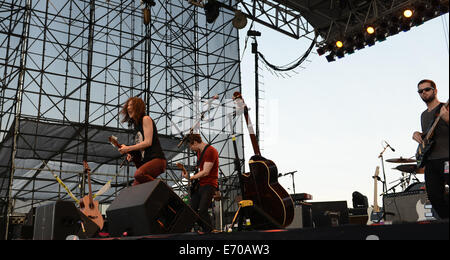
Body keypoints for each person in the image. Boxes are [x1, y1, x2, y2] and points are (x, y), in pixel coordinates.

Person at [412, 79, 449, 219]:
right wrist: (417, 135)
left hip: (446, 158)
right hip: (430, 162)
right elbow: (428, 136)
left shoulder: (445, 108)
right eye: (420, 91)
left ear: (435, 90)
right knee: (434, 196)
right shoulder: (423, 115)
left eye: (426, 89)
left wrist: (447, 118)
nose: (423, 93)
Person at [119, 97, 167, 186]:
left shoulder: (146, 119)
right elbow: (141, 148)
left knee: (139, 174)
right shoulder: (136, 126)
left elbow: (148, 142)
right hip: (147, 161)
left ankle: (164, 190)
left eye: (131, 105)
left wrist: (128, 148)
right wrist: (131, 153)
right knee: (136, 189)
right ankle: (159, 196)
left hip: (157, 159)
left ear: (138, 107)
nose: (128, 108)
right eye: (127, 106)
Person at [182, 133, 219, 232]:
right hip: (201, 184)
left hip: (209, 184)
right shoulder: (199, 152)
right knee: (192, 211)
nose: (190, 148)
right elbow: (201, 170)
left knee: (202, 210)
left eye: (190, 146)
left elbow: (206, 172)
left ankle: (209, 231)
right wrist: (189, 176)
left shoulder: (210, 151)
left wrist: (191, 177)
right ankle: (208, 229)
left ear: (194, 142)